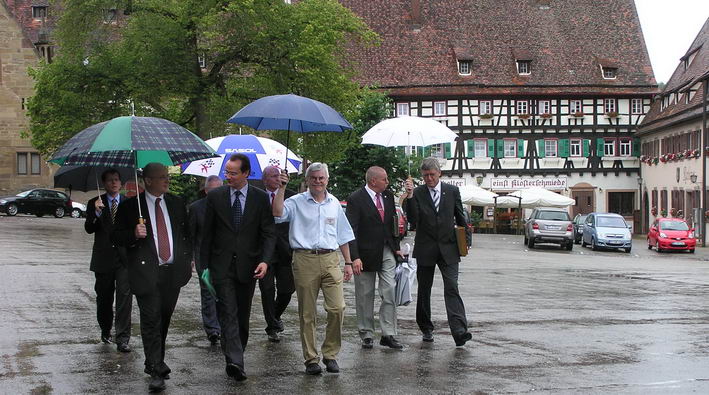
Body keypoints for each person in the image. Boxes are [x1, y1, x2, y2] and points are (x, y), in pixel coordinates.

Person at [112, 163, 193, 392]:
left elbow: (186, 234)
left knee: (164, 319)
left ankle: (153, 359)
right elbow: (115, 236)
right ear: (147, 180)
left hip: (173, 272)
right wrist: (133, 234)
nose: (167, 181)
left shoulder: (176, 203)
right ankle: (156, 369)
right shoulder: (130, 207)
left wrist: (189, 258)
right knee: (151, 321)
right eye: (161, 177)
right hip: (146, 273)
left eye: (167, 177)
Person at [272, 162, 355, 376]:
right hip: (304, 259)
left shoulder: (334, 202)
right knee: (308, 313)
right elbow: (277, 214)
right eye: (314, 178)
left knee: (337, 308)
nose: (318, 181)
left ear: (327, 179)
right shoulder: (296, 201)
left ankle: (330, 354)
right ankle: (311, 358)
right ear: (307, 180)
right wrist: (281, 187)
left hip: (330, 258)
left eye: (321, 178)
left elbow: (343, 234)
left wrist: (348, 262)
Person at [200, 154, 276, 382]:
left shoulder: (260, 198)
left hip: (249, 266)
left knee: (242, 315)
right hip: (221, 265)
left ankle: (236, 352)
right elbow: (207, 235)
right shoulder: (215, 197)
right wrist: (204, 267)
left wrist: (265, 260)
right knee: (228, 312)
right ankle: (235, 360)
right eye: (227, 172)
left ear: (246, 174)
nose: (228, 176)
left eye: (233, 173)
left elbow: (269, 233)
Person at [403, 158, 472, 347]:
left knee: (452, 287)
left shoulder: (452, 191)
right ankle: (426, 328)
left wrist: (466, 241)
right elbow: (413, 219)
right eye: (425, 176)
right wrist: (408, 197)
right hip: (425, 248)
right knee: (424, 290)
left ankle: (459, 331)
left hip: (449, 248)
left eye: (432, 175)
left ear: (439, 173)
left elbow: (460, 216)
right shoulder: (416, 193)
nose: (429, 179)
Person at [346, 166, 403, 349]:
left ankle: (388, 333)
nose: (387, 182)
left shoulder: (388, 196)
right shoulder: (356, 199)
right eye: (384, 179)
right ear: (373, 181)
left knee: (389, 290)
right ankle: (366, 333)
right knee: (365, 294)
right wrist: (354, 257)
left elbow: (393, 222)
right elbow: (351, 230)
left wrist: (397, 248)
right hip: (364, 253)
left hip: (386, 249)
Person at [84, 168, 132, 353]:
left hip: (123, 259)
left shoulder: (129, 203)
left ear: (121, 183)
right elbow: (89, 228)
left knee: (124, 298)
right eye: (110, 180)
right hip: (103, 258)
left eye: (117, 180)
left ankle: (123, 338)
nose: (114, 183)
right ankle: (105, 329)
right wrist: (96, 214)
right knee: (104, 298)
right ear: (104, 183)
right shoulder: (95, 203)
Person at [259, 166, 295, 343]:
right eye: (273, 176)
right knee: (266, 289)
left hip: (285, 250)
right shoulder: (257, 196)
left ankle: (275, 316)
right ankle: (272, 326)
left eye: (279, 175)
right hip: (264, 251)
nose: (277, 179)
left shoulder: (292, 196)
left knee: (287, 290)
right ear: (265, 180)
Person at [188, 175, 223, 345]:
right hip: (203, 257)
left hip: (223, 257)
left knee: (223, 292)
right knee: (208, 291)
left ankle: (223, 324)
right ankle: (212, 329)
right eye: (213, 190)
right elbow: (191, 235)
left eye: (219, 189)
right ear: (206, 191)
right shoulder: (196, 208)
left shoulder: (228, 207)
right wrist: (191, 258)